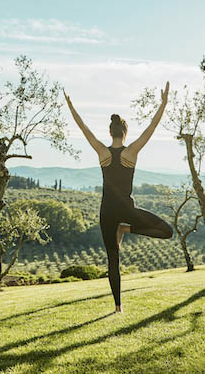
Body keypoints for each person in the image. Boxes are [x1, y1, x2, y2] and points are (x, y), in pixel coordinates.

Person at [64, 84, 173, 313]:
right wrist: (163, 103)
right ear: (124, 133)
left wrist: (71, 106)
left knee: (113, 261)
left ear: (110, 132)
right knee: (167, 231)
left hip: (106, 212)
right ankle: (126, 230)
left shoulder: (102, 153)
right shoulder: (130, 152)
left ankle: (118, 308)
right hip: (127, 211)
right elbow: (152, 128)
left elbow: (83, 128)